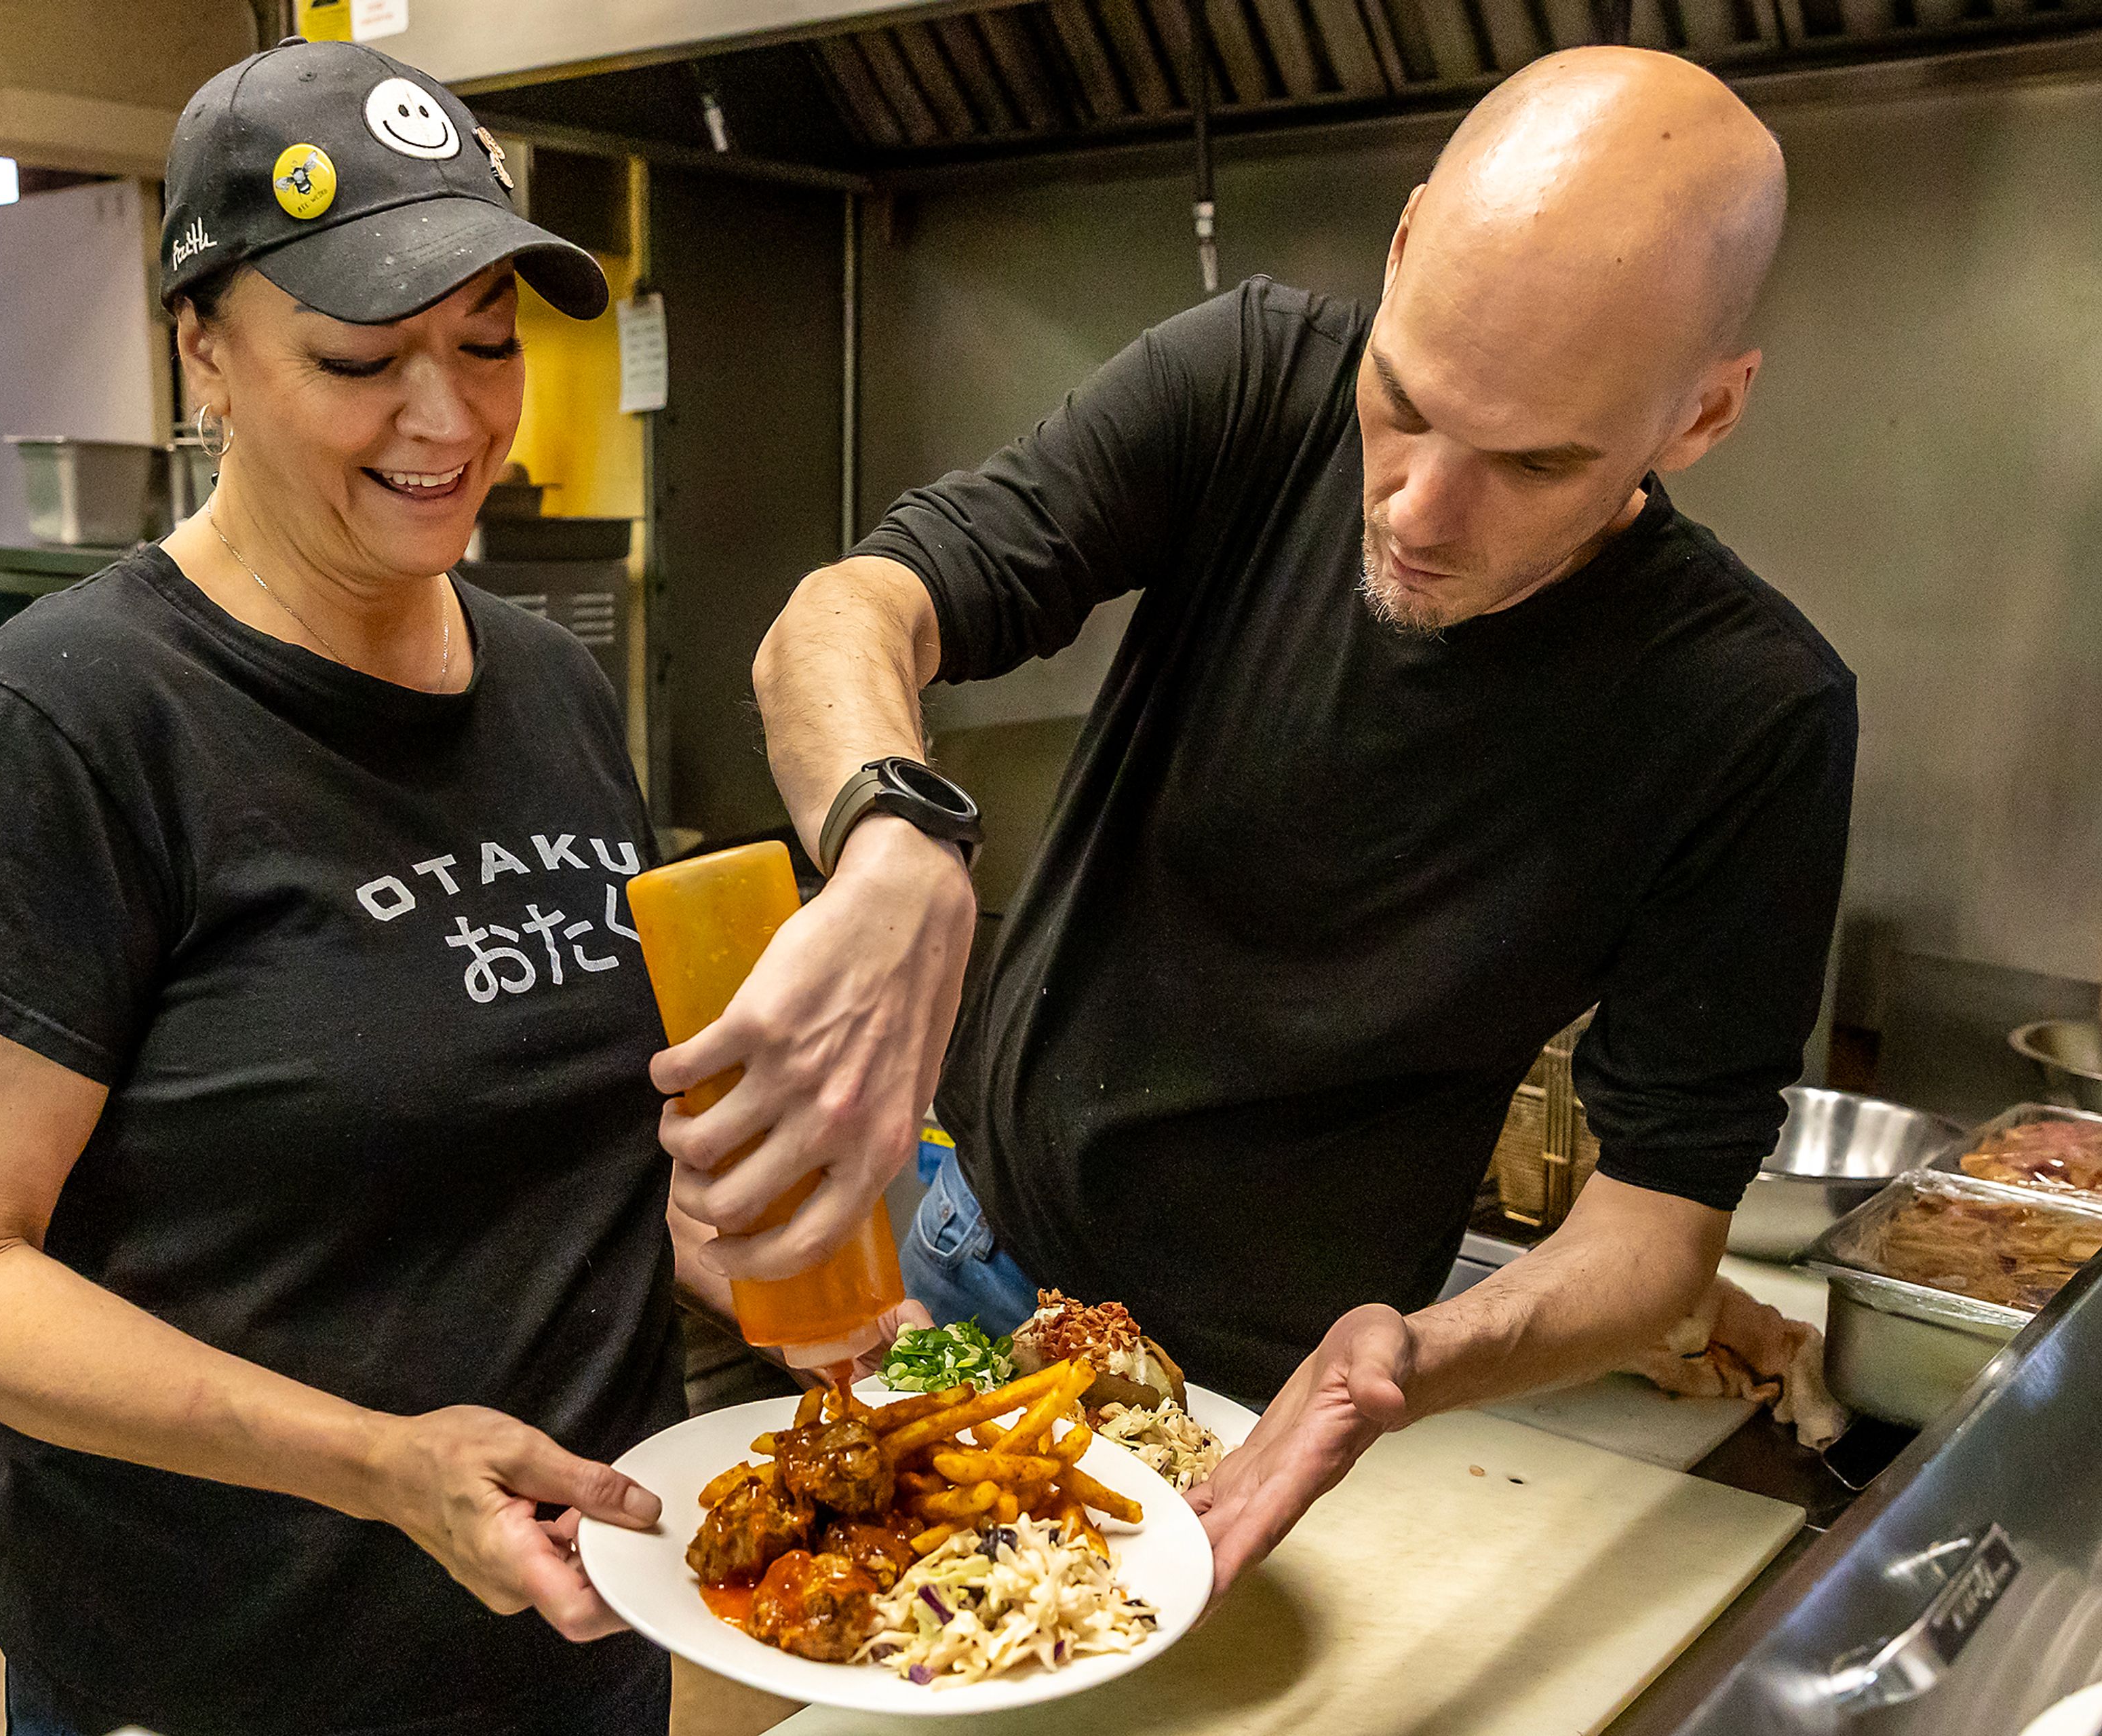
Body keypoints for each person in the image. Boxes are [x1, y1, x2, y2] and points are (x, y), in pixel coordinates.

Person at [654, 47, 1852, 1596]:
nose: (1419, 506)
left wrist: (1413, 1355)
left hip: (1251, 1414)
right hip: (952, 1252)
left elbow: (1660, 1230)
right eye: (1406, 404)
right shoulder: (1256, 381)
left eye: (1533, 462)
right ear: (1408, 246)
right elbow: (845, 614)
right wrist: (895, 834)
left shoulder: (1751, 717)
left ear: (1703, 415)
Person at [0, 41, 706, 1736]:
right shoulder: (75, 721)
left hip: (583, 1649)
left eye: (485, 343)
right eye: (360, 357)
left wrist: (794, 1248)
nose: (448, 418)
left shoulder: (549, 685)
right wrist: (381, 1465)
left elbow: (570, 1151)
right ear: (205, 351)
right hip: (220, 1673)